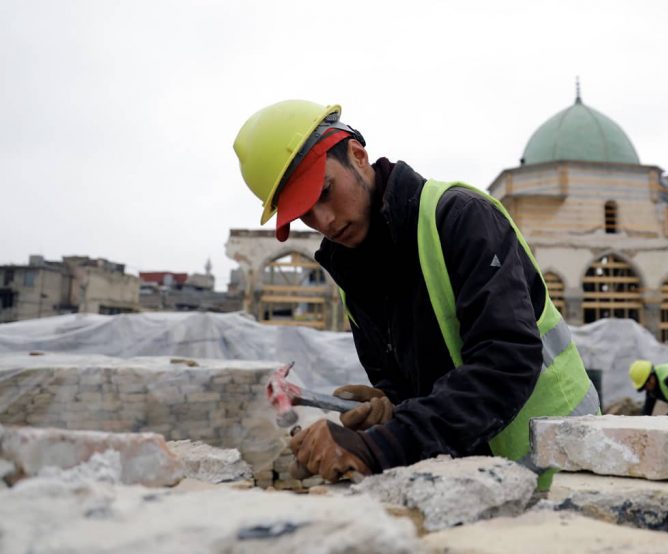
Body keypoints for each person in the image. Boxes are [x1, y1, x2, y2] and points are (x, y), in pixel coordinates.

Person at [233, 100, 599, 487]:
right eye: (304, 214)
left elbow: (505, 360)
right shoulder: (354, 277)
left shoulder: (461, 218)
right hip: (474, 481)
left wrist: (380, 446)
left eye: (324, 193)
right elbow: (412, 382)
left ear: (357, 157)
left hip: (563, 467)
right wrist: (389, 403)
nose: (322, 221)